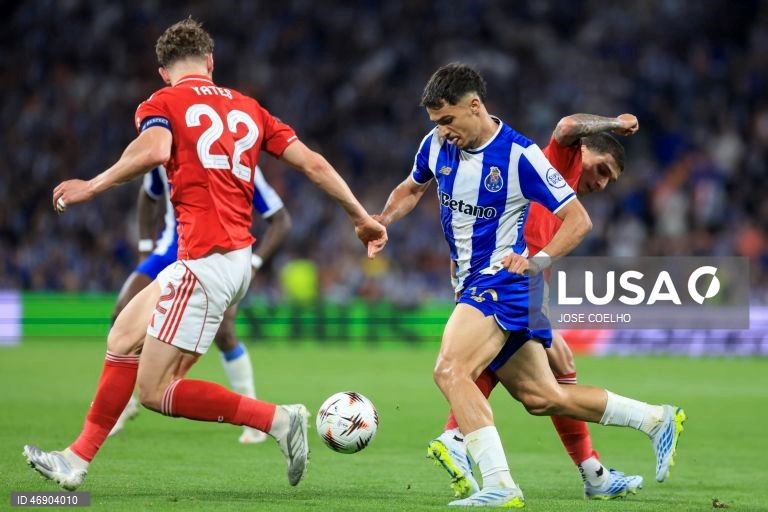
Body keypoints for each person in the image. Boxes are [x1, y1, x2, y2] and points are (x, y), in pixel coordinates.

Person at [24, 17, 386, 491]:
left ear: (163, 72)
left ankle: (277, 420)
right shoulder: (250, 109)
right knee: (123, 336)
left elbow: (155, 150)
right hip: (226, 259)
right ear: (210, 62)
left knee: (154, 391)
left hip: (204, 262)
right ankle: (75, 459)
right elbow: (314, 164)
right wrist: (360, 216)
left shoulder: (162, 102)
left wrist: (91, 186)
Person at [376, 63, 685, 508]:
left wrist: (536, 261)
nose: (442, 129)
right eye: (436, 122)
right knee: (543, 395)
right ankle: (654, 419)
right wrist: (382, 220)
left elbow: (578, 220)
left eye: (447, 119)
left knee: (451, 369)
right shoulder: (437, 144)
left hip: (503, 280)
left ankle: (490, 473)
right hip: (474, 282)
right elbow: (411, 188)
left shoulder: (520, 155)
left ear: (475, 106)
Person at [428, 114, 651, 500]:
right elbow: (566, 128)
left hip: (517, 283)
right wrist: (614, 124)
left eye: (609, 181)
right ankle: (623, 447)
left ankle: (459, 438)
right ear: (584, 150)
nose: (601, 183)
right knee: (546, 380)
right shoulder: (560, 161)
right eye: (602, 170)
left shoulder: (558, 190)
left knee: (533, 371)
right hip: (511, 282)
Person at [108, 164, 292, 444]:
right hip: (170, 250)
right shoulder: (166, 151)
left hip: (214, 256)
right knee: (123, 311)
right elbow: (148, 194)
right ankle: (121, 403)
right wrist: (145, 248)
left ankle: (255, 421)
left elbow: (281, 220)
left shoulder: (241, 161)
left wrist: (254, 264)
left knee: (224, 331)